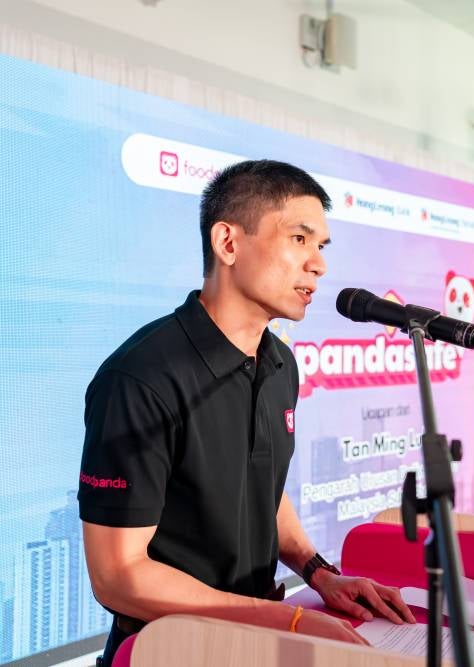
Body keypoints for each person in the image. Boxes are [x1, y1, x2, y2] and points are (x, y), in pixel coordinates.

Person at [78, 160, 415, 665]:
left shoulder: (280, 366)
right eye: (299, 239)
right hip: (166, 651)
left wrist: (321, 574)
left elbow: (262, 487)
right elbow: (118, 576)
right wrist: (287, 617)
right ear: (228, 243)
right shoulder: (141, 377)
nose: (318, 264)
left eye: (320, 247)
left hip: (257, 643)